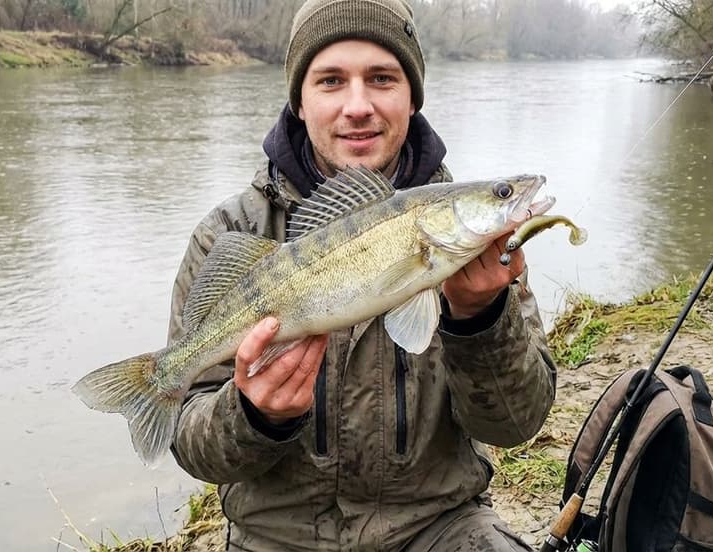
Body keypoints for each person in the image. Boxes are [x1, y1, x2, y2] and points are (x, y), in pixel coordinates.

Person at [168, 0, 557, 550]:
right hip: (275, 536)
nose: (358, 106)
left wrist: (480, 321)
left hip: (438, 525)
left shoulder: (478, 249)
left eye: (382, 78)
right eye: (330, 81)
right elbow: (192, 445)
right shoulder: (230, 233)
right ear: (299, 102)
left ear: (412, 96)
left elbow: (516, 427)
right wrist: (255, 416)